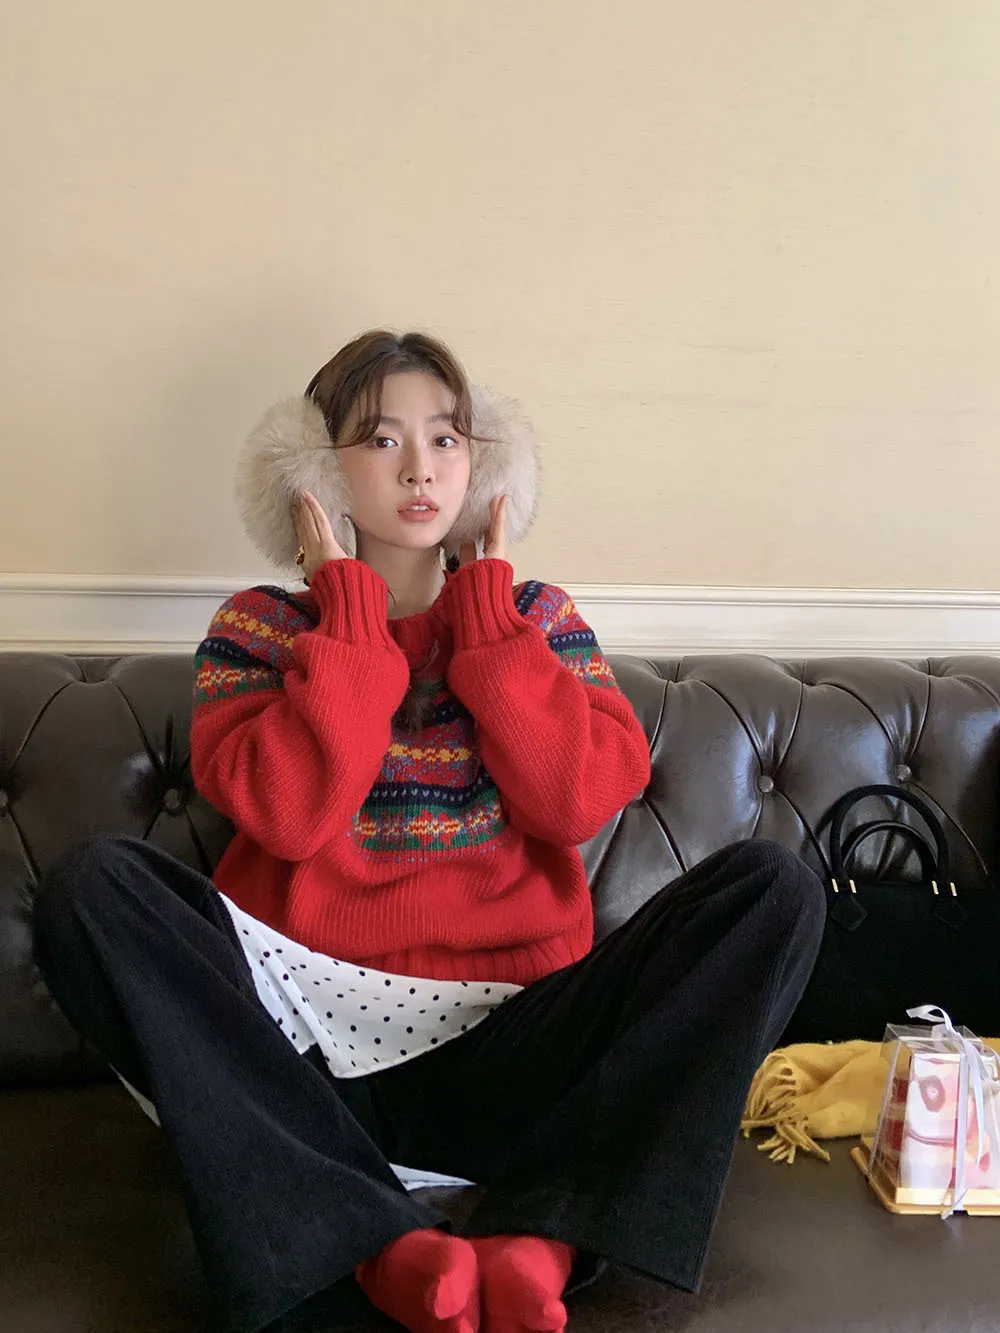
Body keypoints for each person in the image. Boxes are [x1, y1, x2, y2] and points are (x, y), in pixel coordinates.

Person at [32, 330, 826, 1333]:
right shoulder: (258, 629)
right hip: (307, 1061)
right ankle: (375, 1245)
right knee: (93, 889)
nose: (421, 468)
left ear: (482, 461)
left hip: (514, 1051)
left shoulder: (538, 618)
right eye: (381, 439)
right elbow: (291, 815)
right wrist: (349, 616)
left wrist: (487, 622)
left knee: (772, 890)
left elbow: (576, 800)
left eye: (447, 438)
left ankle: (545, 1237)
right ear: (315, 470)